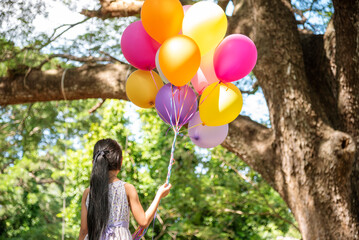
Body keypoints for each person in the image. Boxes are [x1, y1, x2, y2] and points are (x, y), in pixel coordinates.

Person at [78, 138, 172, 240]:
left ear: (94, 163)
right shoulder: (127, 188)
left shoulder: (88, 193)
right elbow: (143, 221)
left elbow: (84, 230)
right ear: (120, 161)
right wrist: (159, 195)